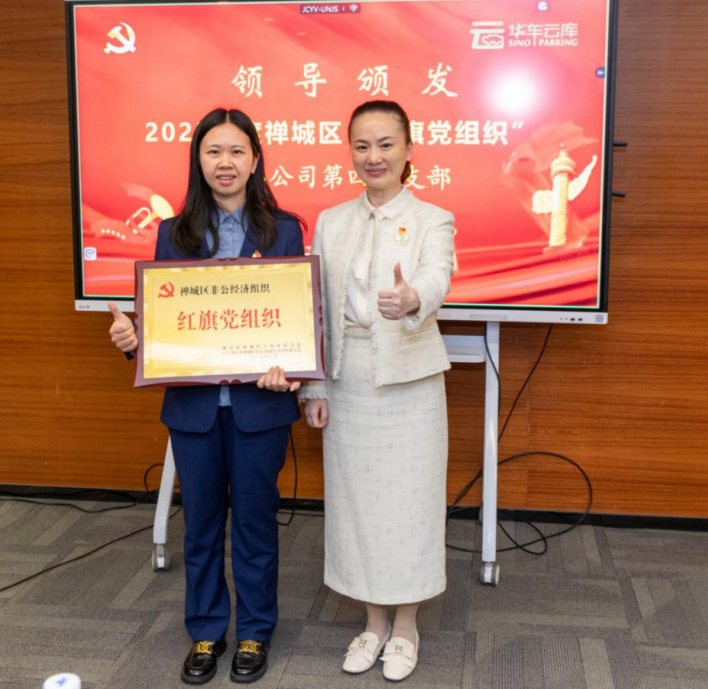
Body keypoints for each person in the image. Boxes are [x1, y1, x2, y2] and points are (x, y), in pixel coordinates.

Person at [108, 108, 305, 685]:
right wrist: (135, 341)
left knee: (255, 523)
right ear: (198, 159)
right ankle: (206, 629)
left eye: (237, 151)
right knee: (199, 525)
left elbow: (298, 314)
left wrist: (293, 368)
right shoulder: (173, 233)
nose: (225, 162)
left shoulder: (284, 230)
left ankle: (255, 630)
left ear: (256, 159)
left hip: (260, 407)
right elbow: (163, 324)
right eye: (213, 151)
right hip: (194, 408)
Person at [299, 100, 455, 682]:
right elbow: (316, 309)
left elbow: (437, 275)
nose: (374, 156)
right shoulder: (332, 220)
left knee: (411, 504)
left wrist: (413, 299)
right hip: (347, 379)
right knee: (356, 505)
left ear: (409, 149)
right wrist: (313, 386)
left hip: (411, 379)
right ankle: (372, 622)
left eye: (387, 144)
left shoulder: (434, 217)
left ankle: (406, 625)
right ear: (351, 152)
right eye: (363, 145)